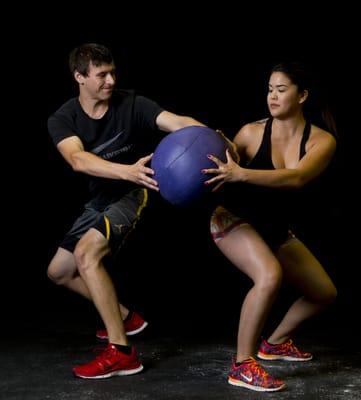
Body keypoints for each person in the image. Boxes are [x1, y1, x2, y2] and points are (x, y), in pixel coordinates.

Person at [47, 43, 205, 379]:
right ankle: (124, 317)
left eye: (112, 72)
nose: (110, 80)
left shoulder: (132, 103)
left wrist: (211, 137)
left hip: (135, 192)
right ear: (79, 77)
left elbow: (178, 122)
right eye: (101, 74)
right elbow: (77, 160)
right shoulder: (63, 118)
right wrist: (125, 169)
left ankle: (122, 352)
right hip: (103, 196)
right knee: (59, 271)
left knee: (86, 255)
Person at [204, 61, 338, 392]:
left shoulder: (322, 141)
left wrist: (241, 173)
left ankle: (275, 343)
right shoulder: (251, 132)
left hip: (274, 228)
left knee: (324, 293)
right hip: (233, 220)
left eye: (281, 90)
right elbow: (224, 176)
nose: (272, 96)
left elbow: (297, 178)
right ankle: (243, 364)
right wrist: (219, 154)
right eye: (269, 89)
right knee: (269, 275)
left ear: (302, 95)